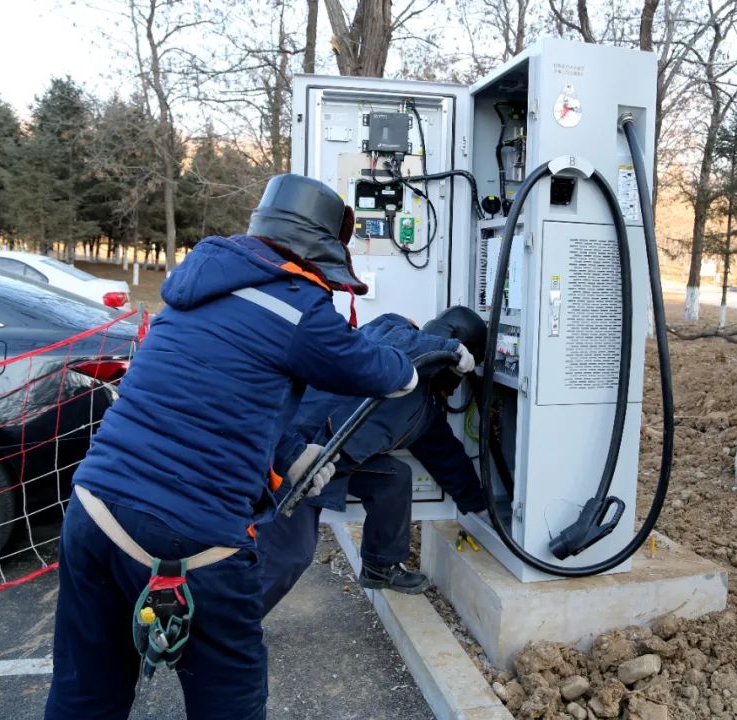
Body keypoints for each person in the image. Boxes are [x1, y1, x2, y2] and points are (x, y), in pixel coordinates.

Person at [45, 174, 420, 720]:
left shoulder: (197, 288)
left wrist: (291, 454)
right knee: (230, 702)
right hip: (191, 538)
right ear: (317, 250)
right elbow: (378, 370)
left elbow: (219, 399)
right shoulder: (299, 309)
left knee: (86, 695)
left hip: (94, 511)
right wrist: (418, 361)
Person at [260, 306, 489, 614]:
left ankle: (379, 566)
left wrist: (481, 507)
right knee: (290, 555)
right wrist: (447, 350)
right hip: (295, 454)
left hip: (335, 464)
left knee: (394, 478)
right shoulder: (393, 327)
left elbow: (447, 458)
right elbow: (388, 346)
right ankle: (228, 632)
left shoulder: (425, 409)